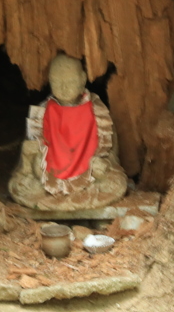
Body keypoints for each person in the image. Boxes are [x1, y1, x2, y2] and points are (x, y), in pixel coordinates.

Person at [8, 54, 127, 210]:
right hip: (49, 175)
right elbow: (31, 150)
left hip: (88, 175)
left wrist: (104, 164)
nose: (63, 88)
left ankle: (61, 202)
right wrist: (30, 157)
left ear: (83, 79)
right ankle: (68, 200)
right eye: (56, 82)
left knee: (116, 183)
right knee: (20, 186)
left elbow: (111, 154)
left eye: (70, 82)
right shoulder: (42, 111)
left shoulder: (99, 112)